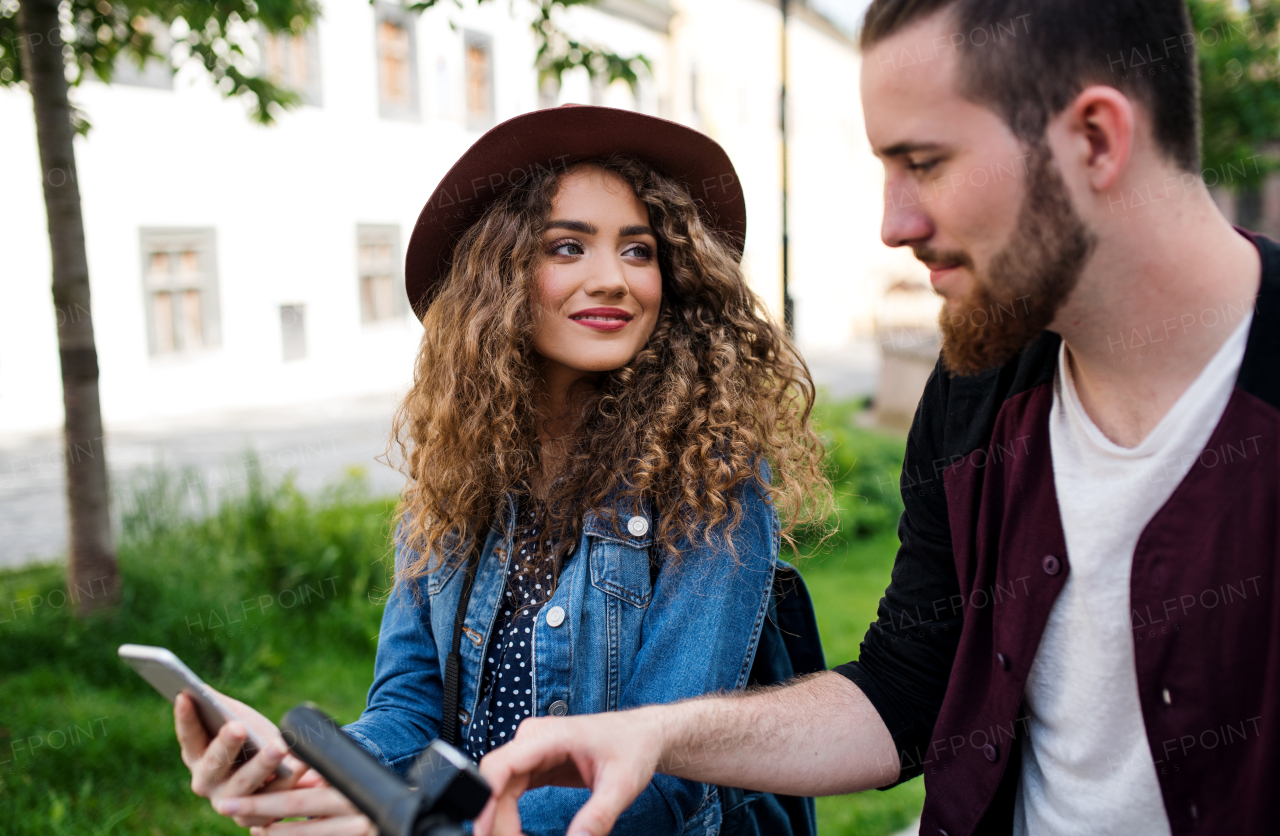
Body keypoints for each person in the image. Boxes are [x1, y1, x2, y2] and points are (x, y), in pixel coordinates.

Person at [473, 2, 1280, 836]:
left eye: (924, 163)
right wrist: (655, 733)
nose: (895, 225)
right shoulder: (975, 388)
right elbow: (904, 694)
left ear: (1096, 140)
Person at [170, 105, 832, 836]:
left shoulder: (710, 486)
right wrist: (313, 772)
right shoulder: (458, 481)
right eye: (568, 247)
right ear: (499, 275)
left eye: (639, 251)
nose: (613, 278)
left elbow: (665, 776)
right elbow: (408, 713)